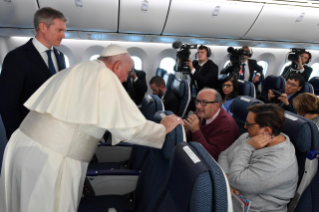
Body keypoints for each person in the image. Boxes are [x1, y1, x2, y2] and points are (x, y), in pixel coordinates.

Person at [0, 44, 184, 212]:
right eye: (127, 72)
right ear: (117, 65)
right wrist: (161, 129)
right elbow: (127, 127)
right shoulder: (104, 75)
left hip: (27, 147)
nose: (125, 78)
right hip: (51, 157)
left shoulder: (82, 68)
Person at [0, 7, 67, 139]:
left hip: (55, 135)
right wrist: (16, 140)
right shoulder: (17, 57)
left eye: (64, 31)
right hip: (28, 135)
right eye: (59, 30)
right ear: (43, 27)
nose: (63, 35)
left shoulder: (60, 57)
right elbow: (8, 105)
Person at [218, 104, 298, 211]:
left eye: (248, 124)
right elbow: (224, 155)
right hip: (232, 197)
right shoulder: (250, 136)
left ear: (266, 130)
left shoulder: (280, 159)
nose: (245, 127)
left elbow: (237, 179)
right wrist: (227, 178)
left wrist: (247, 147)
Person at [184, 89, 238, 160]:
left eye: (204, 102)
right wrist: (186, 130)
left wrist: (195, 131)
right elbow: (191, 137)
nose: (198, 106)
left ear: (216, 105)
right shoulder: (202, 113)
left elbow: (212, 156)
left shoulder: (226, 126)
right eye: (197, 101)